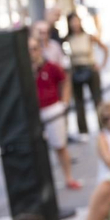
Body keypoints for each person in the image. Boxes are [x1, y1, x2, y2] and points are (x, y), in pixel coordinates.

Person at [30, 33, 80, 191]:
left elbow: (65, 80)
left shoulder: (50, 67)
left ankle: (69, 177)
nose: (33, 52)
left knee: (60, 146)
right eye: (30, 50)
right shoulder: (26, 71)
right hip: (35, 112)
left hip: (52, 109)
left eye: (35, 49)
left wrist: (64, 102)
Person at [65, 12, 108, 137]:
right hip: (76, 71)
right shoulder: (68, 39)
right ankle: (83, 130)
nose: (75, 24)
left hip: (90, 69)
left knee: (97, 99)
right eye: (72, 21)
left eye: (76, 21)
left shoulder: (88, 36)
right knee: (79, 102)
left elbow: (104, 48)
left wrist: (101, 65)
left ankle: (103, 126)